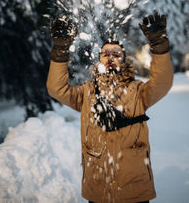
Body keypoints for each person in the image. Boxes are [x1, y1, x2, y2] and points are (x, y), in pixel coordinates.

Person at [46, 13, 173, 203]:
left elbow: (162, 83)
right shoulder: (86, 92)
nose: (111, 57)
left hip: (134, 188)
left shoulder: (138, 91)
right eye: (106, 54)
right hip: (97, 187)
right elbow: (56, 88)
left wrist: (160, 46)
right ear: (99, 60)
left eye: (116, 53)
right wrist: (60, 49)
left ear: (124, 60)